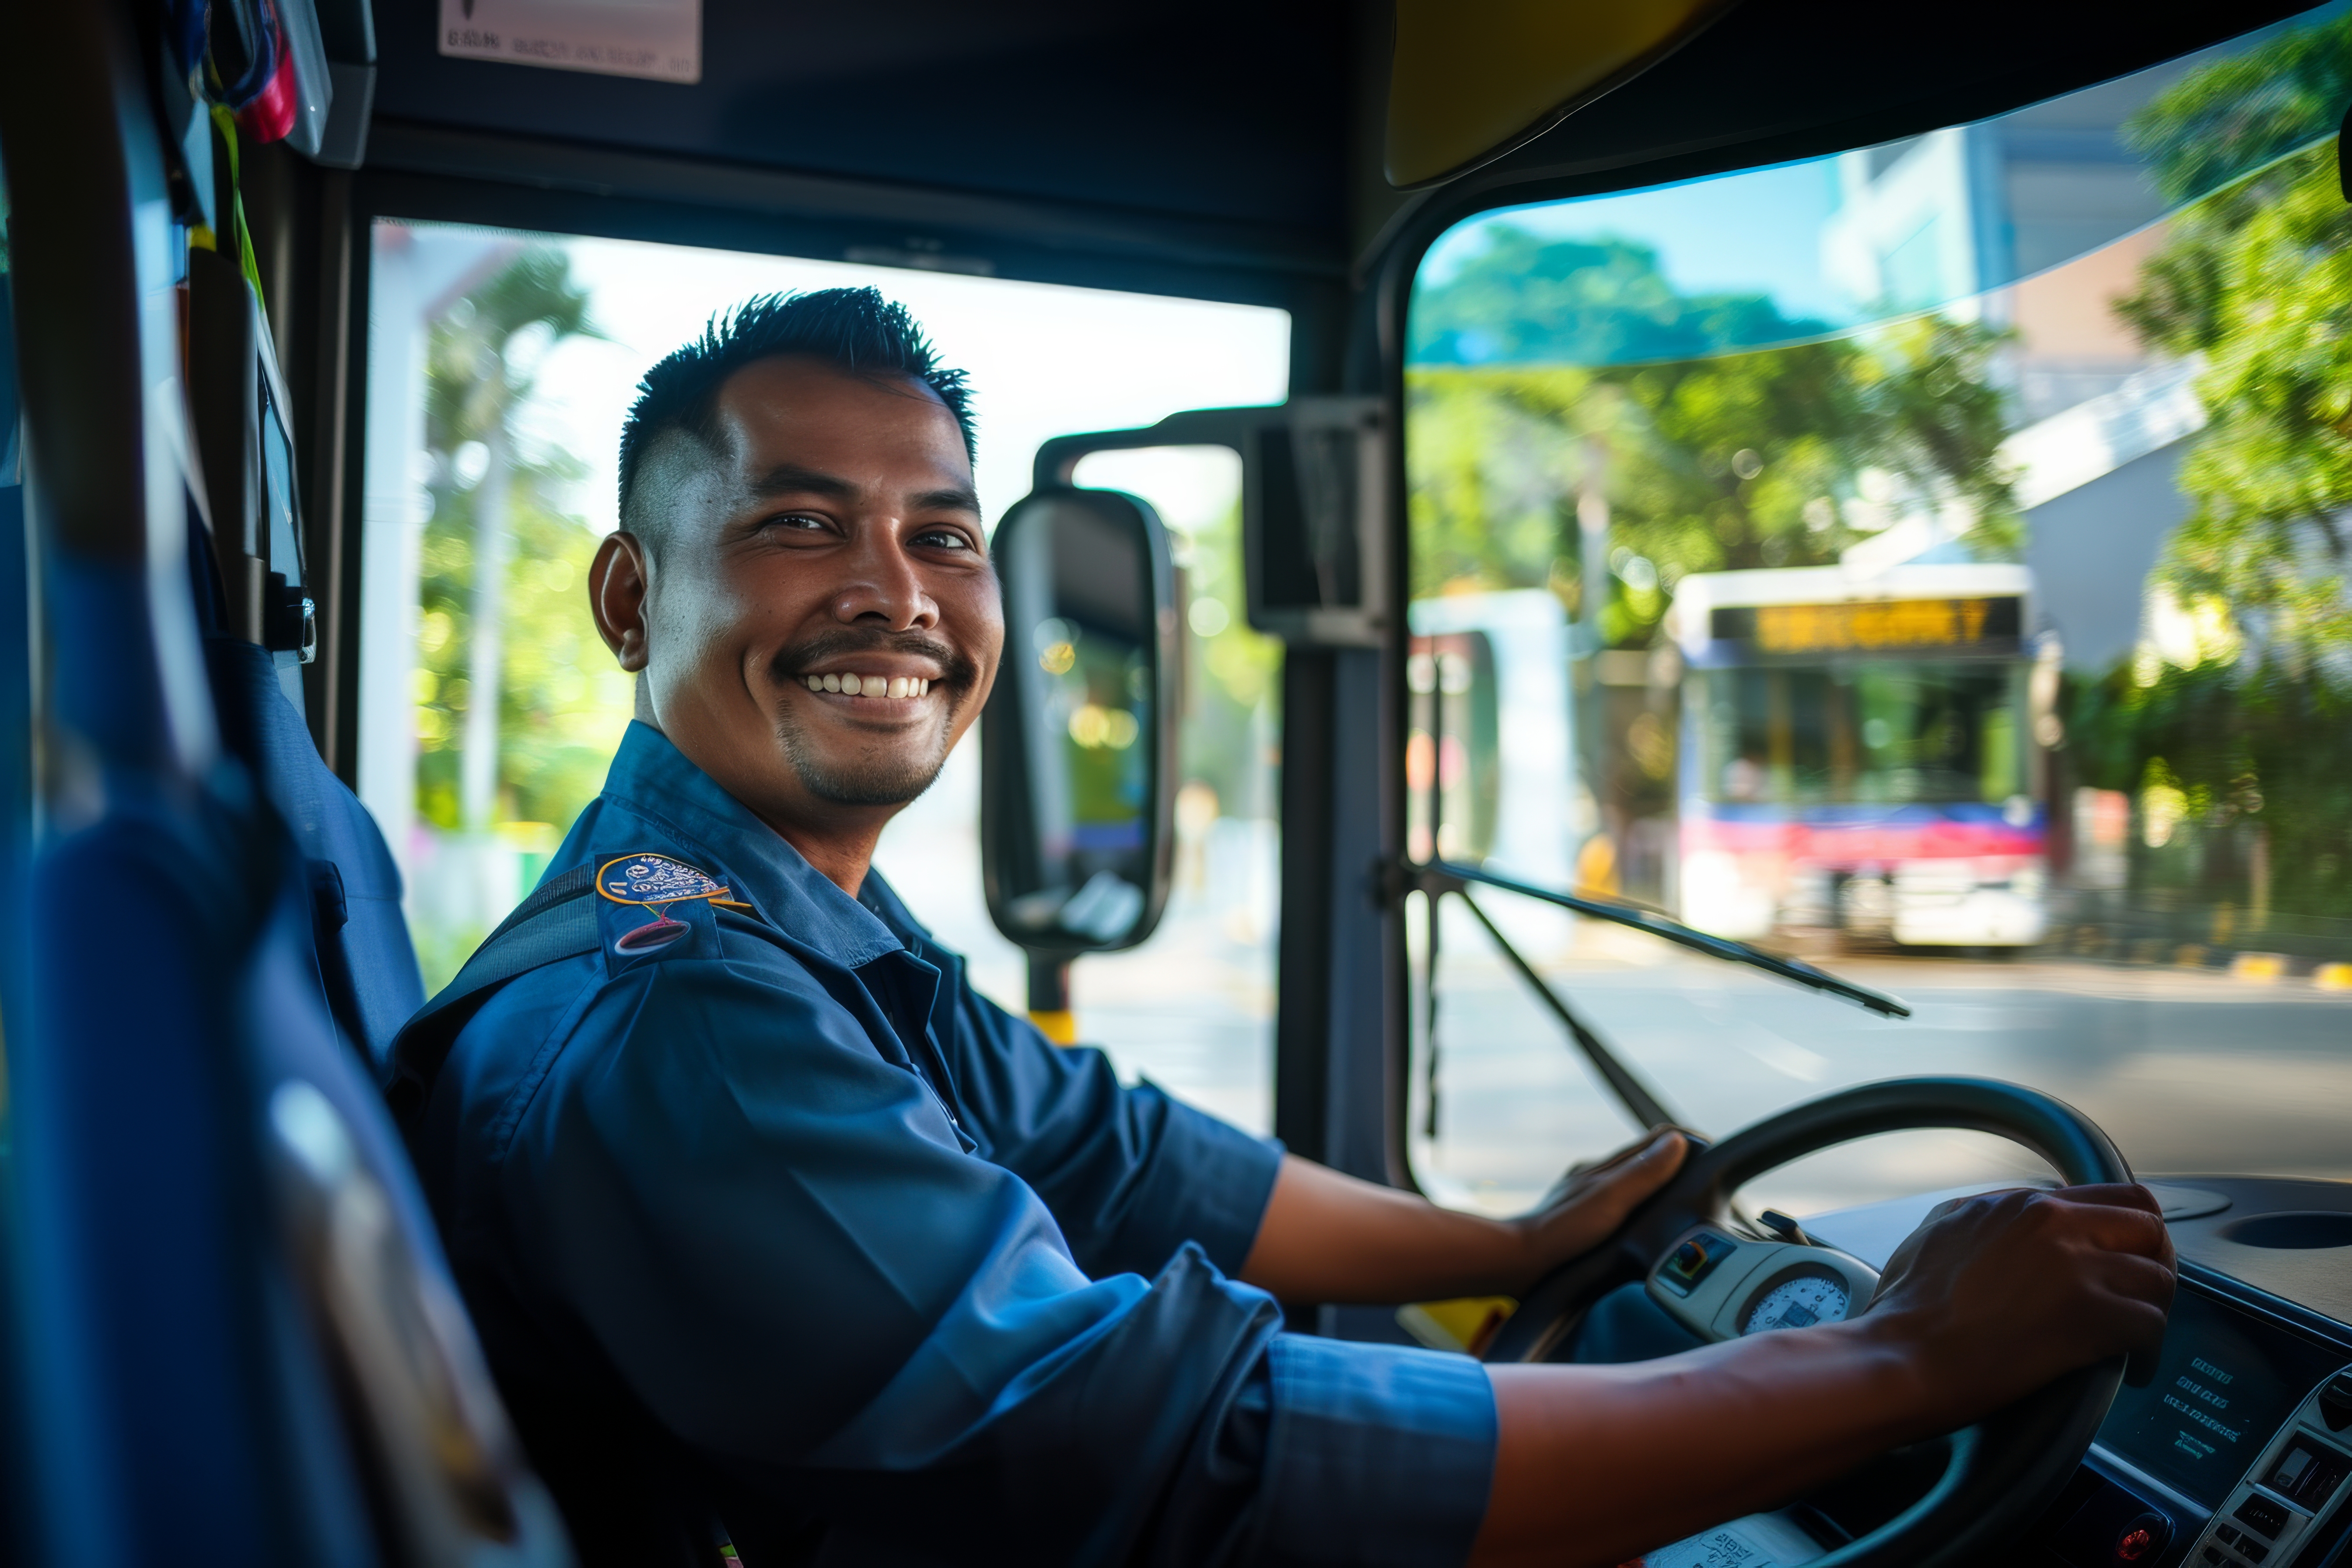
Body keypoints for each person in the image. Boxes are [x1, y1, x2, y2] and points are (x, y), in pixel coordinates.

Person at [398, 288, 2177, 1568]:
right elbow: (1189, 1465)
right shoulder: (684, 1020)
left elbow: (1122, 1153)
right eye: (801, 522)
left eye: (943, 533)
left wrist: (1507, 1235)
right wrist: (1894, 1356)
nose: (896, 590)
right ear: (635, 594)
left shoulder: (788, 924)